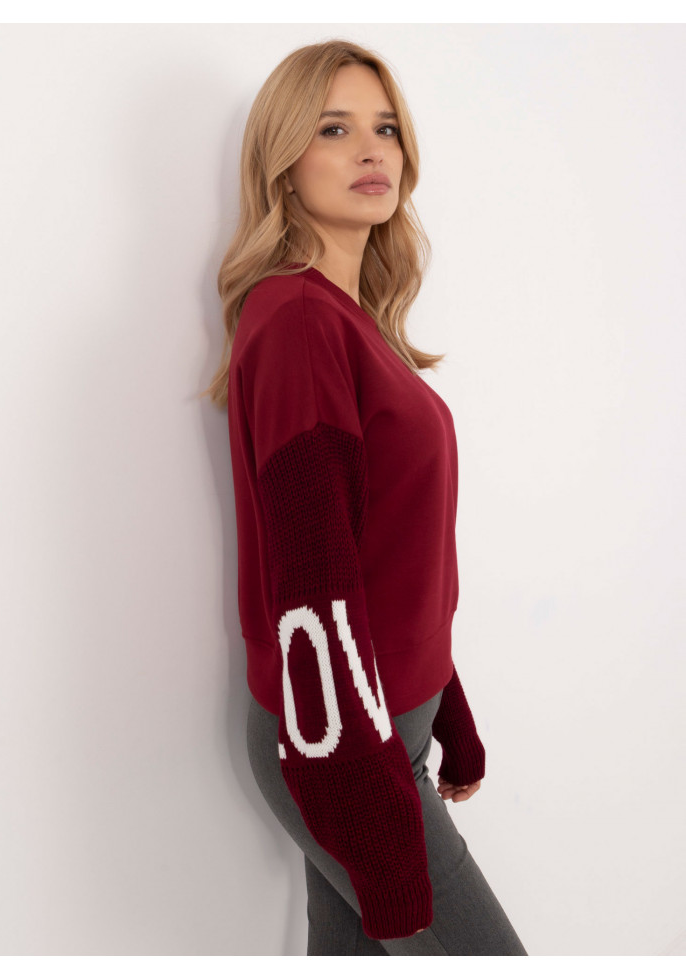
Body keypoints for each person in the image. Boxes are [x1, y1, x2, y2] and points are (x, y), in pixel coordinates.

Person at [201, 39, 528, 956]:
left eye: (385, 128)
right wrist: (371, 810)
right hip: (340, 739)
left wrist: (445, 708)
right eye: (334, 129)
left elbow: (388, 550)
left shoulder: (352, 323)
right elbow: (317, 586)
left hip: (376, 729)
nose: (371, 150)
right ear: (283, 161)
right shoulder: (299, 320)